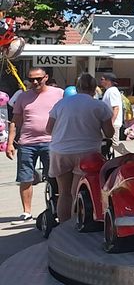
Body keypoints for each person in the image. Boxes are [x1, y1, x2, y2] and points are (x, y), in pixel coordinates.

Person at [47, 73, 113, 225]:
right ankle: (75, 225)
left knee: (63, 192)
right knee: (76, 192)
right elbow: (109, 133)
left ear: (77, 88)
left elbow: (48, 129)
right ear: (94, 88)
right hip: (87, 152)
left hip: (61, 150)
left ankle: (63, 226)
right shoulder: (100, 106)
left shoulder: (62, 104)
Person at [6, 68, 64, 221]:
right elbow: (15, 121)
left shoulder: (59, 94)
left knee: (54, 177)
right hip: (27, 143)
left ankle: (55, 208)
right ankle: (27, 211)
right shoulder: (23, 97)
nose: (35, 82)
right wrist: (9, 143)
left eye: (38, 78)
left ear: (46, 77)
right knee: (25, 178)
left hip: (51, 142)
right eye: (31, 79)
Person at [98, 71, 124, 139]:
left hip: (113, 124)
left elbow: (116, 108)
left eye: (102, 79)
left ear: (108, 81)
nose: (100, 81)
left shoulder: (112, 91)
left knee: (113, 146)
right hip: (108, 124)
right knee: (107, 145)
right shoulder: (109, 91)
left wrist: (111, 123)